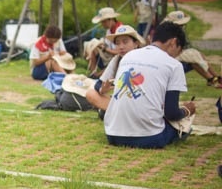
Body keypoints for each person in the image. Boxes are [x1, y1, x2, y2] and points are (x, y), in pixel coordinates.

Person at [103, 21, 196, 149]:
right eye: (178, 52)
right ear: (173, 42)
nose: (176, 56)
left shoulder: (128, 56)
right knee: (184, 125)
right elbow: (171, 113)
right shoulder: (174, 65)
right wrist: (187, 110)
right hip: (149, 138)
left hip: (113, 134)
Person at [86, 25, 145, 118]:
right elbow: (99, 83)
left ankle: (115, 114)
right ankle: (119, 114)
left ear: (136, 43)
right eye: (117, 43)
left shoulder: (144, 59)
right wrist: (102, 89)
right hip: (121, 102)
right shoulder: (116, 59)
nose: (121, 46)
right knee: (91, 93)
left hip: (140, 102)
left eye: (125, 42)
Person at [161, 10, 222, 89]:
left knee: (198, 54)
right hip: (170, 58)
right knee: (193, 60)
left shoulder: (180, 32)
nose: (182, 26)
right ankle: (210, 78)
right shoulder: (167, 34)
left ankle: (216, 76)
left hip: (179, 55)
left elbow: (186, 46)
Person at [86, 7, 124, 78]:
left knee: (117, 58)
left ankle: (99, 75)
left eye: (104, 22)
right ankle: (93, 72)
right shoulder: (109, 30)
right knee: (92, 47)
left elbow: (120, 52)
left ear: (111, 19)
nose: (102, 24)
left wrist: (105, 49)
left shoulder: (120, 31)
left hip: (118, 58)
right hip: (110, 56)